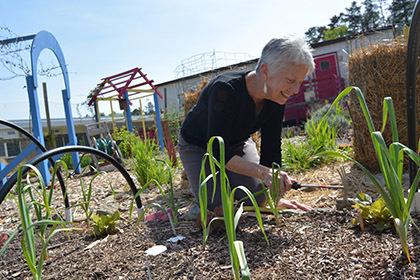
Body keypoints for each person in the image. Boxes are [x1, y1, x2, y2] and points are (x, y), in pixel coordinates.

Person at [179, 36, 314, 214]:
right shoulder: (225, 89)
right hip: (199, 146)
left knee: (257, 199)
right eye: (290, 81)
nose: (296, 90)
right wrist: (263, 173)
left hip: (236, 143)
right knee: (219, 210)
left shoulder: (276, 97)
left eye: (299, 82)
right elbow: (218, 152)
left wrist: (273, 194)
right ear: (265, 70)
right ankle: (197, 203)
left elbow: (271, 148)